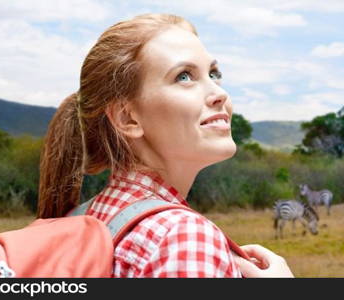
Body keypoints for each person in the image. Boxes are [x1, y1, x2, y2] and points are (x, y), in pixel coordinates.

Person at [37, 13, 293, 278]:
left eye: (214, 74)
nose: (220, 94)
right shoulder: (184, 237)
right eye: (184, 77)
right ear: (128, 118)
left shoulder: (82, 218)